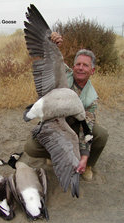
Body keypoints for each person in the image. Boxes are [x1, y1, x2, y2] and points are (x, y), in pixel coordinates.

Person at [24, 32, 109, 181]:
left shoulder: (91, 99)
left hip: (74, 125)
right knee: (30, 147)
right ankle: (55, 153)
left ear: (92, 70)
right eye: (78, 64)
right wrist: (51, 42)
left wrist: (84, 155)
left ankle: (86, 164)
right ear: (74, 66)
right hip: (53, 121)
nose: (81, 68)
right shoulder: (62, 74)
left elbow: (86, 128)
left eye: (85, 65)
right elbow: (50, 57)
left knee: (100, 134)